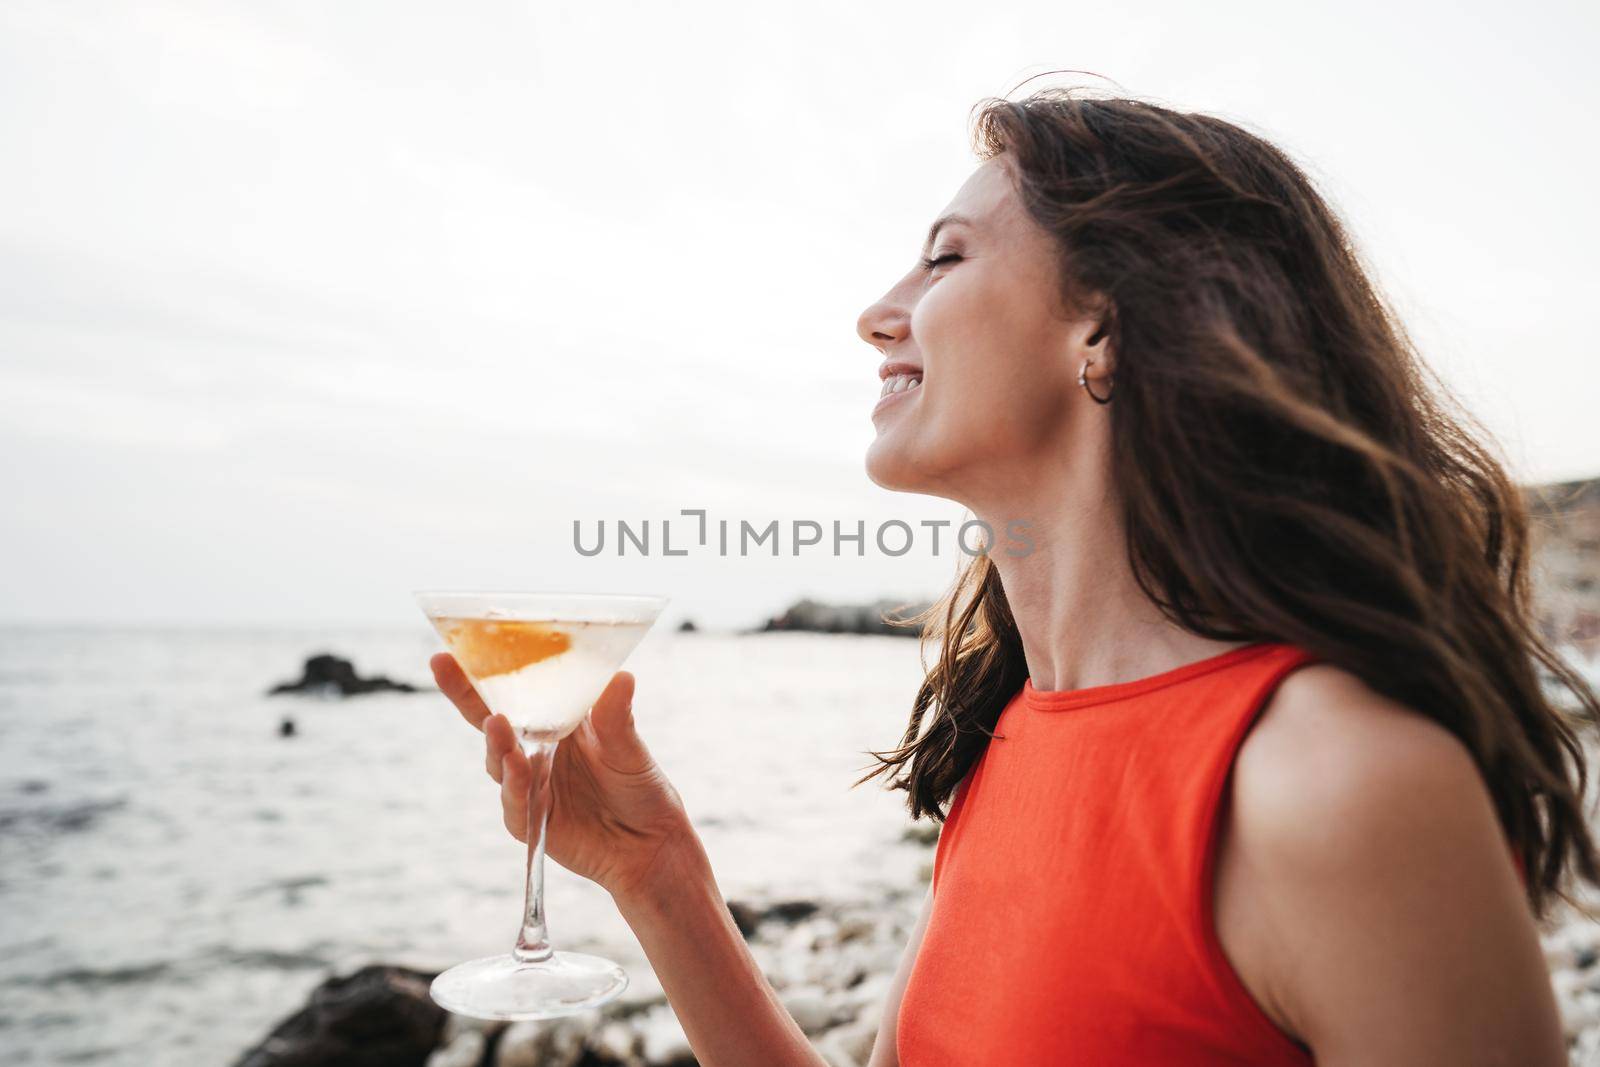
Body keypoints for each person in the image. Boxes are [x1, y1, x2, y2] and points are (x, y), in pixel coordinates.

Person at [431, 87, 1599, 1065]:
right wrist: (660, 874)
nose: (876, 315)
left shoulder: (1336, 780)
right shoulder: (1011, 735)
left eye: (943, 258)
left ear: (1104, 325)